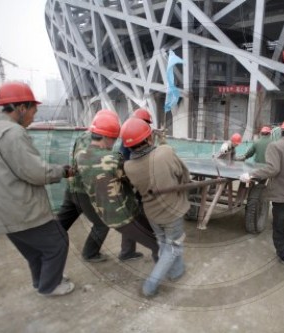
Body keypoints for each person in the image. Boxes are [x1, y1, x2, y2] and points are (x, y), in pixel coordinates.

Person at [0, 81, 75, 296]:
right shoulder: (12, 133)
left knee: (35, 251)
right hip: (19, 209)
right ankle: (50, 286)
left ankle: (42, 281)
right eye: (33, 111)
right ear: (21, 108)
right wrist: (62, 171)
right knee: (58, 242)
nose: (33, 117)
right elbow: (35, 172)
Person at [57, 109, 145, 262]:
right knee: (102, 223)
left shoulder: (83, 136)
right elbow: (95, 167)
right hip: (84, 190)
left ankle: (45, 244)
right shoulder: (93, 144)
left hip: (72, 187)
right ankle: (90, 253)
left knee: (62, 222)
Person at [73, 110, 160, 263]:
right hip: (124, 213)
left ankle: (127, 253)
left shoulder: (80, 156)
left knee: (142, 231)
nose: (113, 143)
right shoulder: (113, 159)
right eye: (113, 139)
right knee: (157, 242)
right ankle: (163, 277)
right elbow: (132, 179)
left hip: (105, 214)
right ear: (107, 137)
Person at [120, 117, 190, 297]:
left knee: (163, 243)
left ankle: (176, 271)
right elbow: (183, 174)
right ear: (149, 139)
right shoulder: (165, 152)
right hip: (172, 212)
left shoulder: (128, 166)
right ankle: (150, 285)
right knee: (173, 248)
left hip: (152, 213)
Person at [240, 118, 284, 264]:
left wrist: (251, 175)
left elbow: (273, 169)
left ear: (282, 131)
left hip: (283, 197)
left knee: (279, 227)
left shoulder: (275, 146)